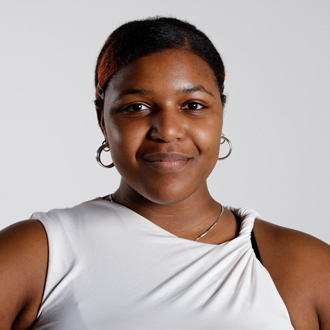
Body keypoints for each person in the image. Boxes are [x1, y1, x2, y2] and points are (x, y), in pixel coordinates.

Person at [0, 16, 329, 330]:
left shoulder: (306, 267)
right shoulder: (37, 254)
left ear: (222, 113)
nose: (168, 130)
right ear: (102, 119)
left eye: (194, 105)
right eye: (136, 107)